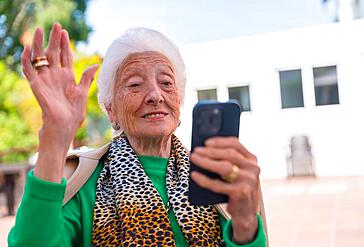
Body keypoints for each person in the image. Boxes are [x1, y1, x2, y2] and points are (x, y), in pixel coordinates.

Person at [8, 23, 267, 247]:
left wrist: (245, 225)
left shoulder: (216, 176)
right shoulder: (82, 184)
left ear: (179, 101)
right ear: (111, 110)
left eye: (166, 83)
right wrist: (55, 136)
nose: (156, 95)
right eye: (134, 84)